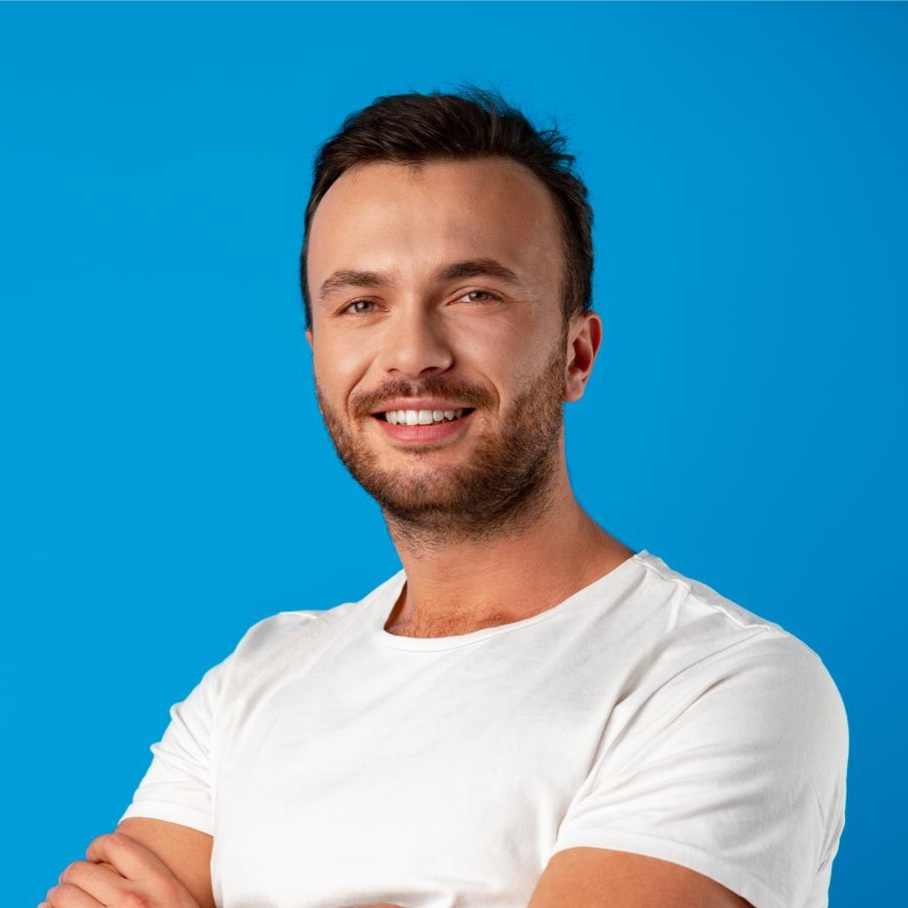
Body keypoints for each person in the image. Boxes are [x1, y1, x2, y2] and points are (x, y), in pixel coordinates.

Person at [41, 85, 849, 908]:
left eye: (473, 295)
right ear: (317, 351)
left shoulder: (723, 682)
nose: (412, 354)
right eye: (362, 304)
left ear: (576, 354)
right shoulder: (253, 681)